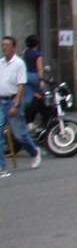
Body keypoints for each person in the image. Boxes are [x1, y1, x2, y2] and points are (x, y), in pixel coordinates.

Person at [0, 36, 43, 176]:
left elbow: (21, 85)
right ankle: (2, 167)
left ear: (14, 47)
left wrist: (16, 104)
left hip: (13, 101)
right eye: (2, 45)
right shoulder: (0, 63)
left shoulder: (19, 64)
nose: (4, 48)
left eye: (7, 45)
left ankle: (34, 151)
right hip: (1, 101)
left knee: (19, 135)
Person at [21, 34, 45, 128]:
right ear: (37, 44)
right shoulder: (38, 54)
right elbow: (39, 68)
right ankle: (37, 118)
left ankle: (26, 120)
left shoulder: (25, 52)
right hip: (34, 76)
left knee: (28, 98)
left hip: (26, 75)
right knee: (39, 97)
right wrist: (41, 80)